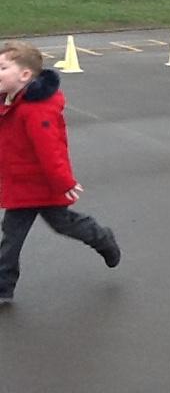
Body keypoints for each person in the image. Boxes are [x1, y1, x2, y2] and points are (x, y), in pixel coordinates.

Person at [0, 41, 120, 307]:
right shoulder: (8, 100)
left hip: (44, 184)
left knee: (64, 224)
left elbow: (50, 150)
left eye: (3, 68)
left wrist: (64, 182)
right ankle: (3, 287)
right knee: (11, 236)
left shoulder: (35, 110)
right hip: (20, 184)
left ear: (25, 75)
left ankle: (103, 239)